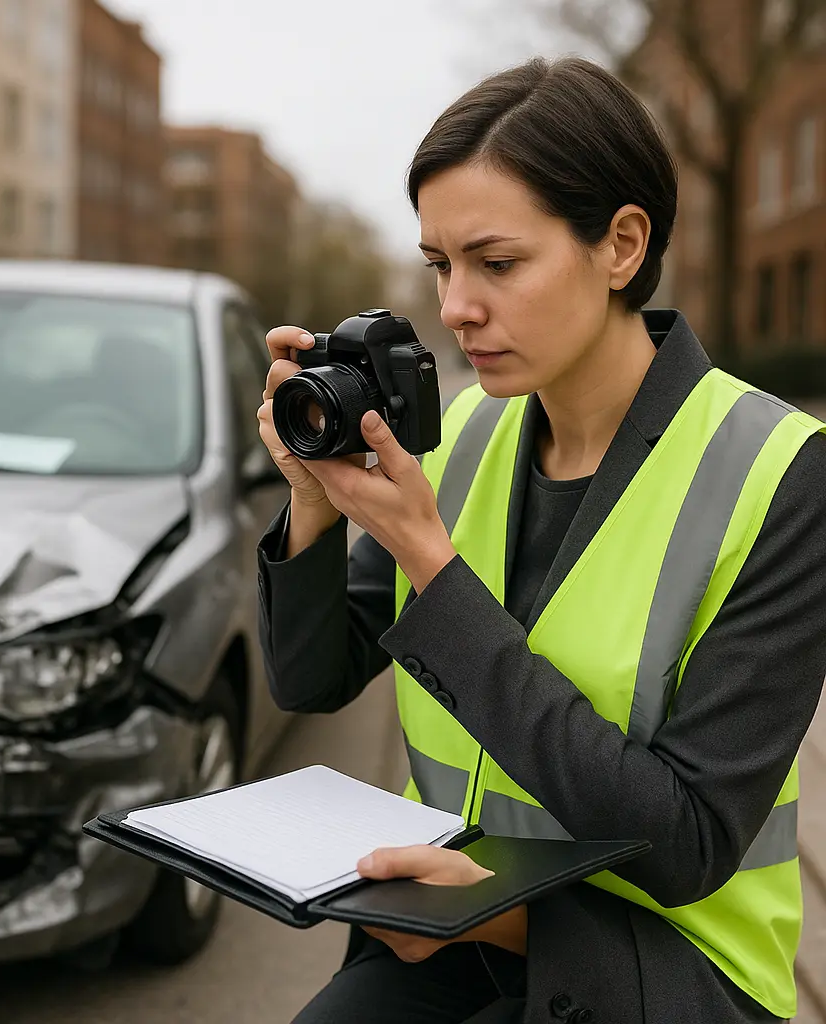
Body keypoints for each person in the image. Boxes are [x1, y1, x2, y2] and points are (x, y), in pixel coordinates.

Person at [254, 56, 826, 1024]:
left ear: (621, 245)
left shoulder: (780, 471)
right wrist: (313, 505)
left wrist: (432, 566)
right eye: (440, 265)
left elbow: (685, 842)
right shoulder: (463, 435)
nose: (454, 308)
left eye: (498, 263)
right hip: (452, 928)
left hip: (662, 969)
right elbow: (312, 682)